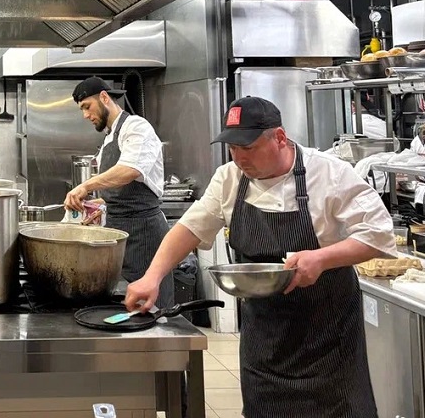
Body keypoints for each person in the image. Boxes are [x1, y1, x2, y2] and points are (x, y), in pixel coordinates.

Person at [125, 96, 396, 418]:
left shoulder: (329, 173)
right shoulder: (229, 178)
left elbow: (378, 235)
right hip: (264, 334)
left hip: (327, 332)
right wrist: (152, 277)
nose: (240, 158)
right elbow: (190, 228)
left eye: (248, 147)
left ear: (279, 137)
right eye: (232, 148)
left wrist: (322, 258)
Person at [64, 76, 173, 307]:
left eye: (87, 106)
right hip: (118, 234)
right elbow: (121, 191)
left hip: (143, 234)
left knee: (150, 308)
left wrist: (86, 186)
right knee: (126, 304)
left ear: (104, 97)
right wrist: (101, 205)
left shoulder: (136, 127)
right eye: (81, 109)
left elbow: (130, 170)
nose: (85, 115)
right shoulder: (108, 139)